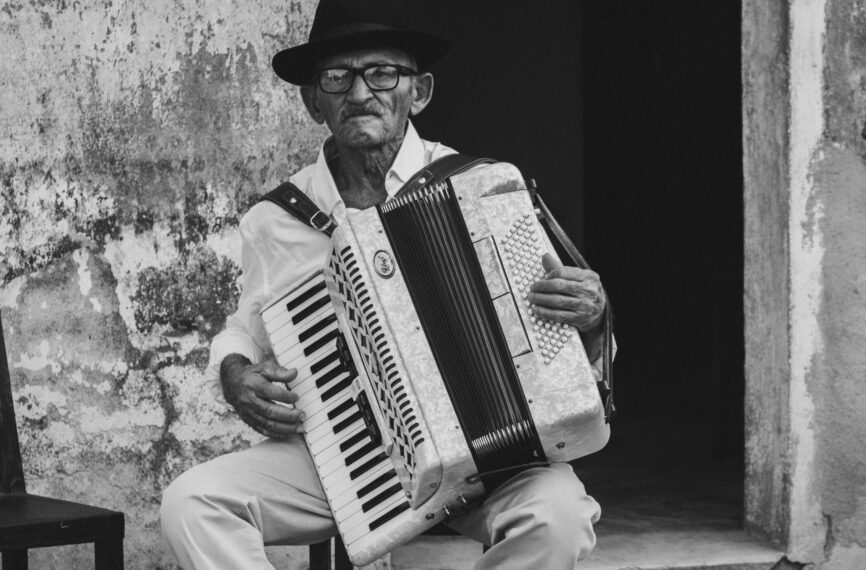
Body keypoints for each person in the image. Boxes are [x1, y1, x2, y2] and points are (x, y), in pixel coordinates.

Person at [159, 1, 611, 568]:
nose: (359, 92)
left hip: (493, 464)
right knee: (191, 502)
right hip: (350, 464)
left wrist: (591, 318)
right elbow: (242, 331)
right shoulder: (278, 220)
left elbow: (572, 331)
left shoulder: (485, 190)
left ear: (417, 92)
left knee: (559, 518)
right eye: (336, 77)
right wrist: (235, 374)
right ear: (312, 100)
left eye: (382, 73)